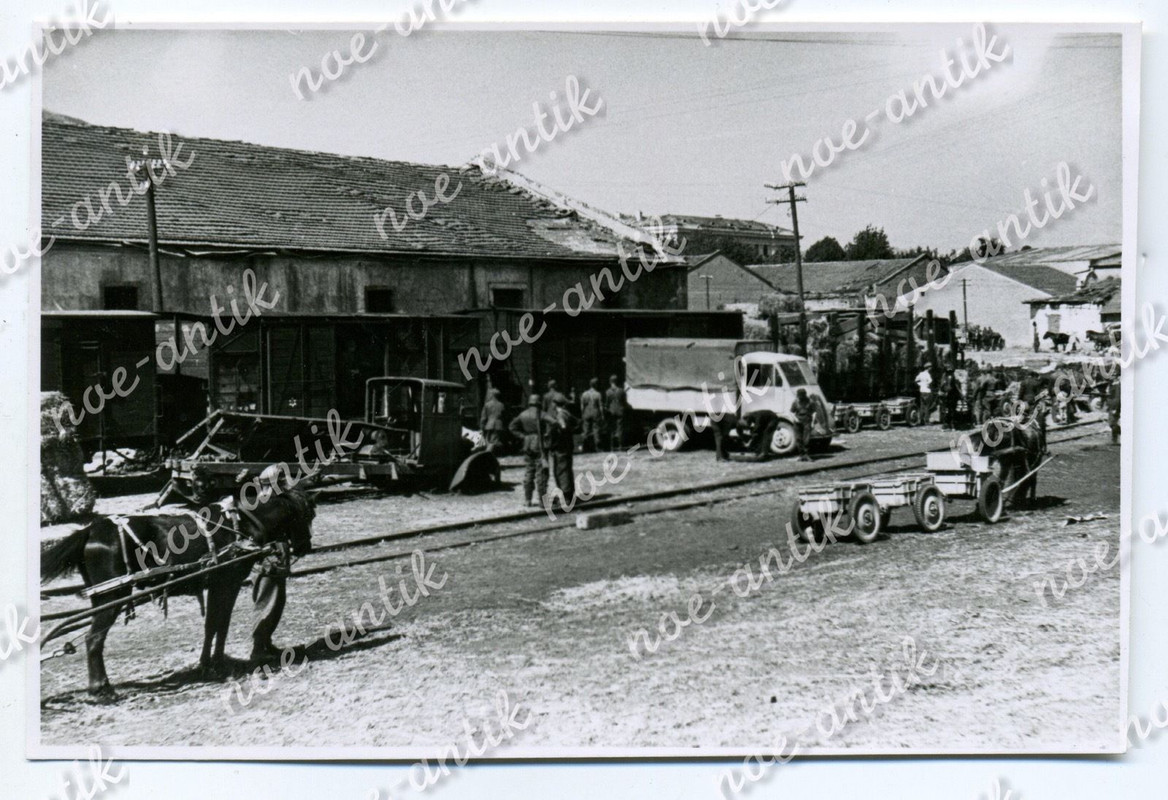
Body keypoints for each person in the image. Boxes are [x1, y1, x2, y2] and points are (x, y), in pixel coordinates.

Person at [248, 464, 296, 662]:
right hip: (269, 562)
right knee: (268, 603)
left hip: (274, 561)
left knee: (276, 602)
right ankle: (258, 649)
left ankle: (266, 643)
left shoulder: (268, 502)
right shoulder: (267, 505)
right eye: (282, 482)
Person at [509, 394, 550, 507]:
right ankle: (543, 501)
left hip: (527, 445)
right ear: (539, 403)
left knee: (529, 472)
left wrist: (523, 436)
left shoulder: (523, 414)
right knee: (541, 474)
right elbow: (554, 422)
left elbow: (512, 427)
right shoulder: (541, 413)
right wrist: (547, 434)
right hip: (539, 445)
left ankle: (528, 500)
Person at [545, 393, 578, 506]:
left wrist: (555, 433)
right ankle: (569, 495)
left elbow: (563, 427)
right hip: (567, 445)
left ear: (555, 404)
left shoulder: (560, 415)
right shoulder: (567, 413)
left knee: (561, 471)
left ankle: (566, 497)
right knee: (566, 470)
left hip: (561, 447)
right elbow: (577, 423)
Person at [579, 377, 605, 453]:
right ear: (596, 385)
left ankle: (585, 447)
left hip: (586, 412)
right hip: (595, 412)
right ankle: (597, 447)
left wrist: (582, 414)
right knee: (596, 429)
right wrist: (602, 415)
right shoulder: (598, 394)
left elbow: (582, 406)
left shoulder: (584, 394)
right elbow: (600, 406)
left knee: (586, 430)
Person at [478, 387, 506, 453]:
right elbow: (504, 417)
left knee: (489, 440)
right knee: (494, 440)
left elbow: (483, 417)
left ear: (492, 395)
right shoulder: (502, 405)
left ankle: (488, 453)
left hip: (489, 425)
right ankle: (489, 453)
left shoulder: (487, 405)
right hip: (499, 425)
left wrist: (481, 426)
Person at [792, 388, 815, 462]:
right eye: (799, 396)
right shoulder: (795, 402)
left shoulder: (810, 402)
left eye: (802, 395)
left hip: (807, 421)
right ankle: (801, 455)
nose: (800, 397)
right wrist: (795, 419)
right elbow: (792, 412)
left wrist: (813, 423)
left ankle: (806, 455)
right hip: (798, 421)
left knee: (806, 439)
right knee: (798, 439)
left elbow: (814, 412)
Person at [605, 374, 627, 450]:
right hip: (620, 411)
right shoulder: (621, 391)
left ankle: (611, 446)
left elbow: (607, 403)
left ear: (610, 382)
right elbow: (624, 402)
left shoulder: (608, 392)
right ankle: (620, 446)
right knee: (620, 428)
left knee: (612, 429)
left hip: (611, 411)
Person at [1107, 379, 1120, 444]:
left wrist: (1115, 408)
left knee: (1113, 423)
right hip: (1112, 406)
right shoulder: (1112, 385)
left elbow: (1117, 398)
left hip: (1115, 407)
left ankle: (1115, 440)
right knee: (1112, 423)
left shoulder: (1117, 385)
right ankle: (1115, 439)